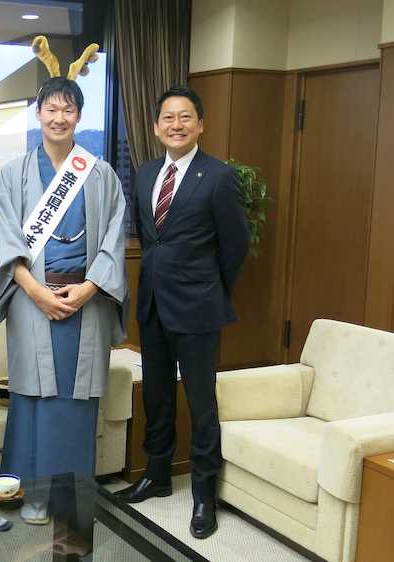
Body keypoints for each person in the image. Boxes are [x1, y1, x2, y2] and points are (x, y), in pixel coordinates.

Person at [114, 85, 249, 540]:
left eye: (185, 117)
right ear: (155, 127)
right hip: (153, 303)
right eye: (168, 118)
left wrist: (210, 289)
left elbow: (236, 246)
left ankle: (203, 493)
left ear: (200, 125)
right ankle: (155, 474)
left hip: (198, 307)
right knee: (156, 395)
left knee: (201, 401)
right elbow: (150, 240)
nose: (176, 125)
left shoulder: (218, 176)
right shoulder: (148, 172)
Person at [0, 76, 127, 526]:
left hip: (84, 299)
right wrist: (33, 291)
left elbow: (114, 236)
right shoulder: (14, 174)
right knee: (32, 396)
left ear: (79, 117)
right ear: (38, 114)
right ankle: (29, 492)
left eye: (68, 110)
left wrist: (90, 288)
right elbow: (4, 237)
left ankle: (72, 495)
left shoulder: (100, 172)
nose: (58, 117)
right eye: (50, 109)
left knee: (75, 398)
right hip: (33, 299)